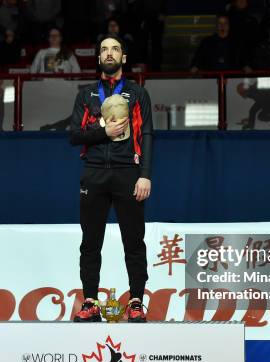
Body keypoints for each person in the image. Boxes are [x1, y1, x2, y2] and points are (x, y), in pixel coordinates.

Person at [69, 33, 153, 323]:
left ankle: (137, 302)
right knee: (90, 242)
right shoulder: (86, 95)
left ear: (123, 58)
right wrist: (103, 132)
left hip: (128, 174)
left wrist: (145, 175)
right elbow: (74, 135)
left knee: (134, 241)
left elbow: (147, 135)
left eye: (115, 49)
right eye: (104, 49)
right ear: (98, 57)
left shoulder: (138, 93)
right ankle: (90, 301)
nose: (109, 53)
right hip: (93, 173)